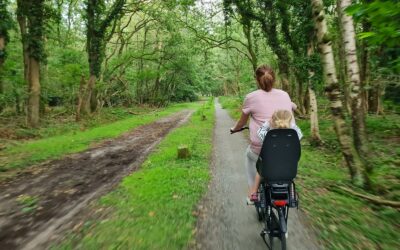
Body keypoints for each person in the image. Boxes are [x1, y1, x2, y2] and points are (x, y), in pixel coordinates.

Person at [230, 65, 296, 205]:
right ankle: (289, 189)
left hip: (261, 149)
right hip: (289, 149)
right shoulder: (285, 95)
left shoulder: (251, 97)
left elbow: (241, 123)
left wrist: (234, 129)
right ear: (274, 78)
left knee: (250, 156)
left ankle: (253, 192)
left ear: (257, 80)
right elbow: (292, 107)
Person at [247, 110, 303, 202]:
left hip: (270, 166)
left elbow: (259, 132)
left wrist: (267, 124)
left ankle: (254, 193)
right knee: (290, 177)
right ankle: (292, 194)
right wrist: (292, 125)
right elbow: (300, 135)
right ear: (290, 121)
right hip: (288, 166)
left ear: (272, 120)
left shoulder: (268, 135)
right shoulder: (294, 135)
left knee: (259, 172)